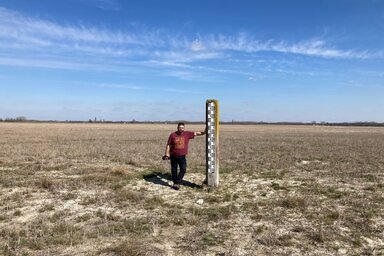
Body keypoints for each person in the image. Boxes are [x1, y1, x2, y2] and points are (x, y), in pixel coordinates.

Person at [163, 122, 206, 190]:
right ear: (177, 128)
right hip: (173, 156)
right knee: (174, 171)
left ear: (184, 128)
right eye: (180, 127)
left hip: (182, 156)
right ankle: (175, 183)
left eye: (182, 128)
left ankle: (177, 182)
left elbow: (196, 133)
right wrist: (166, 154)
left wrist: (204, 132)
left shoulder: (187, 134)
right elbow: (168, 145)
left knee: (183, 169)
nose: (181, 129)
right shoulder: (172, 135)